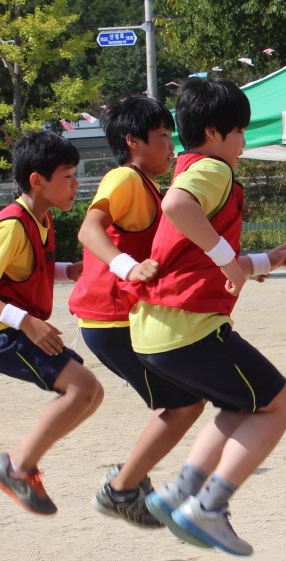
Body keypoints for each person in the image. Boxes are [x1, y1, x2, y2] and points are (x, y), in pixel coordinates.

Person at [129, 78, 286, 556]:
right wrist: (230, 259)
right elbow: (177, 206)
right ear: (213, 131)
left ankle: (178, 493)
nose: (244, 144)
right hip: (188, 326)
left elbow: (195, 252)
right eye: (240, 133)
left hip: (157, 329)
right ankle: (208, 506)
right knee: (281, 403)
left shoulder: (190, 165)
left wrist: (261, 261)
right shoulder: (212, 169)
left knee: (241, 405)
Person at [69, 96, 207, 529]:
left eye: (171, 136)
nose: (170, 146)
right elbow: (89, 228)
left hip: (121, 319)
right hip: (109, 319)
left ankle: (126, 485)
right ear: (133, 141)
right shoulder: (125, 178)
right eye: (162, 137)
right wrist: (128, 266)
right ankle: (122, 488)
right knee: (185, 403)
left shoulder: (150, 186)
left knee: (186, 401)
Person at [0, 131, 101, 515]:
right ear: (38, 180)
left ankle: (18, 465)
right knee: (82, 389)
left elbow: (25, 271)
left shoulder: (41, 218)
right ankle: (15, 467)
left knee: (89, 393)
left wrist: (72, 271)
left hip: (4, 326)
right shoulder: (12, 226)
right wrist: (28, 323)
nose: (76, 184)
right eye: (68, 176)